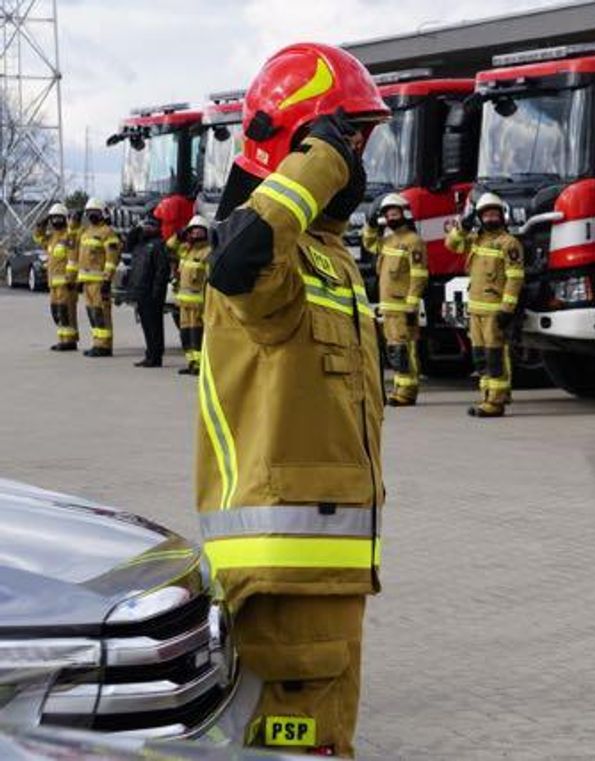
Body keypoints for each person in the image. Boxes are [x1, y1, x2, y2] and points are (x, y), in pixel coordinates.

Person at [196, 42, 388, 757]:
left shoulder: (327, 253)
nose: (358, 157)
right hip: (280, 580)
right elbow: (239, 254)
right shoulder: (272, 261)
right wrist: (314, 162)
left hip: (327, 574)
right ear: (304, 142)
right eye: (349, 137)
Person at [445, 192, 525, 418]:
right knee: (480, 356)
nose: (490, 218)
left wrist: (507, 309)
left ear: (502, 216)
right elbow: (451, 244)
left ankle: (497, 400)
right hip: (475, 310)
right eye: (486, 215)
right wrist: (462, 225)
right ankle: (487, 395)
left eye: (494, 213)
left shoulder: (509, 243)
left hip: (494, 311)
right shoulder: (475, 240)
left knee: (495, 355)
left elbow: (515, 278)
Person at [364, 193, 428, 406]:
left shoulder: (413, 242)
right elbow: (369, 243)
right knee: (394, 349)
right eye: (388, 213)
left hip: (403, 306)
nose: (391, 216)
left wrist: (412, 304)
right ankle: (400, 388)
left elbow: (419, 275)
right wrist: (371, 225)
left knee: (404, 348)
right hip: (388, 306)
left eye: (395, 212)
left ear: (405, 214)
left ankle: (408, 391)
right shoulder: (388, 240)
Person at [76, 198, 122, 357]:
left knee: (101, 313)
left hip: (99, 281)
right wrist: (78, 280)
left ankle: (104, 346)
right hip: (87, 282)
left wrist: (107, 280)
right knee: (92, 313)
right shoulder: (86, 232)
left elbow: (112, 258)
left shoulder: (107, 232)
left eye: (95, 213)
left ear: (103, 214)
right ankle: (97, 342)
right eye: (89, 213)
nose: (91, 216)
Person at [126, 211, 170, 368]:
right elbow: (128, 243)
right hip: (141, 291)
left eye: (150, 226)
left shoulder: (158, 245)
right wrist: (136, 228)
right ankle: (150, 354)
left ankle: (156, 356)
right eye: (145, 226)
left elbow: (161, 271)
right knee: (147, 325)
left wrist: (157, 292)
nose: (146, 228)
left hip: (152, 293)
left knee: (154, 326)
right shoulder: (140, 244)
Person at [34, 203, 79, 351]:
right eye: (53, 218)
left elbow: (73, 260)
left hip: (65, 284)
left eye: (59, 218)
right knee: (57, 312)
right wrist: (42, 223)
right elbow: (38, 237)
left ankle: (69, 341)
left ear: (65, 219)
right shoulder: (52, 237)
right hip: (53, 284)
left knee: (66, 312)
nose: (56, 221)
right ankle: (62, 339)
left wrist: (71, 279)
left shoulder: (69, 236)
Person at [174, 215, 210, 375]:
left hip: (199, 304)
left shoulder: (207, 252)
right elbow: (169, 246)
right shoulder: (186, 250)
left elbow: (210, 279)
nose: (195, 234)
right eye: (192, 231)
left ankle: (200, 365)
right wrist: (178, 235)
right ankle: (191, 362)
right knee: (186, 335)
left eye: (199, 231)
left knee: (197, 334)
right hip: (183, 304)